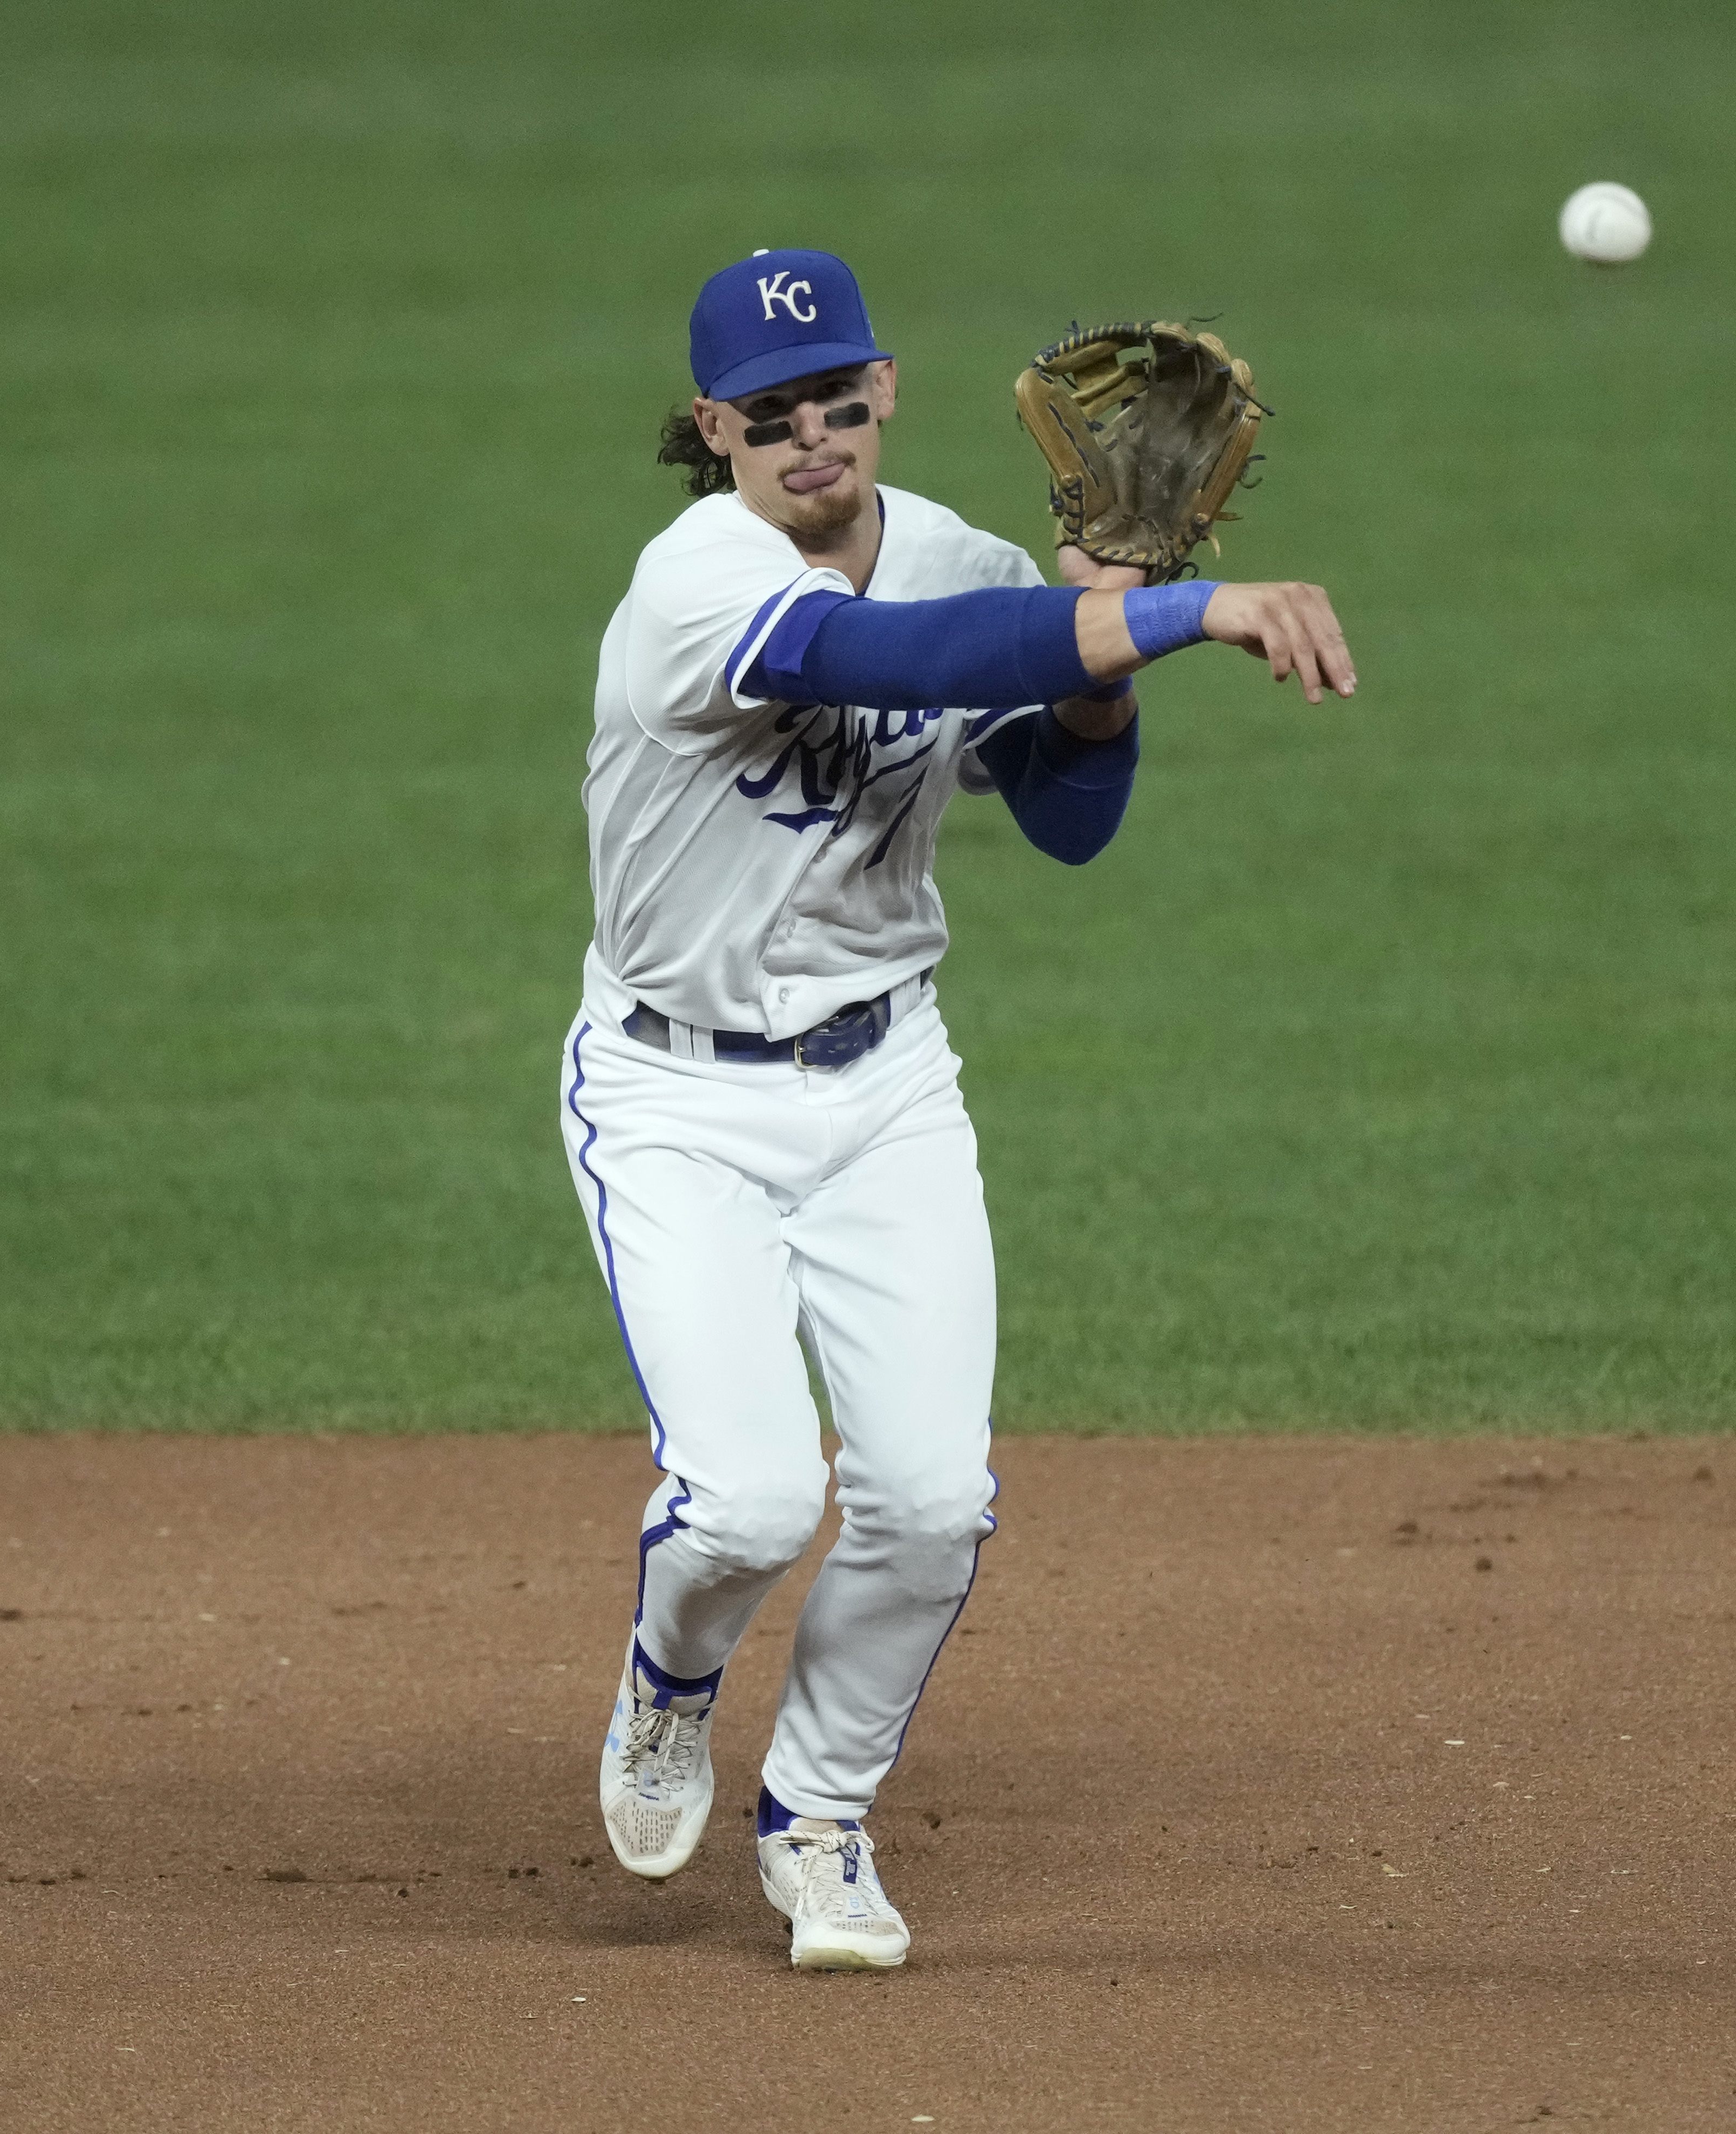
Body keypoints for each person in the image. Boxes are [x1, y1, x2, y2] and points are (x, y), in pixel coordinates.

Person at [562, 248, 1353, 1970]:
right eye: (769, 412)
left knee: (929, 1501)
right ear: (714, 430)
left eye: (839, 395)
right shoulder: (695, 579)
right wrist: (1182, 609)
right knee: (750, 1506)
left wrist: (1100, 656)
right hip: (673, 1097)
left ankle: (821, 1821)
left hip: (886, 1087)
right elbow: (890, 656)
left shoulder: (969, 560)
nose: (812, 433)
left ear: (886, 391)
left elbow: (1065, 814)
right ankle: (667, 1679)